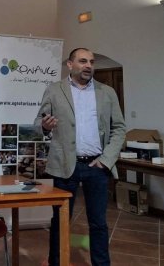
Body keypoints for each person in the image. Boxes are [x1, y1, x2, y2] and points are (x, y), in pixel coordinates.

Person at [35, 47, 126, 266]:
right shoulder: (55, 90)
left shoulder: (107, 92)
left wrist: (106, 160)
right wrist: (45, 126)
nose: (88, 66)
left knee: (98, 223)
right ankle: (56, 262)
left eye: (91, 62)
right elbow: (38, 123)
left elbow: (119, 128)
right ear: (70, 64)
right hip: (66, 165)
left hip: (97, 166)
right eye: (83, 61)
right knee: (60, 220)